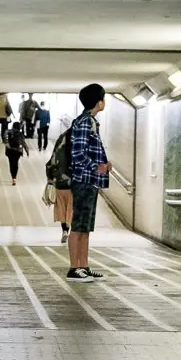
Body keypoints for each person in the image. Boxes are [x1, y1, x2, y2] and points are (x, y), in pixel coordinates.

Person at [66, 83, 110, 282]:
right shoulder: (84, 122)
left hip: (90, 181)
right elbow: (78, 154)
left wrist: (103, 165)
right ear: (98, 101)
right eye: (103, 98)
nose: (104, 102)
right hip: (83, 180)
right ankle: (75, 268)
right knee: (78, 226)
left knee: (86, 226)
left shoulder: (90, 121)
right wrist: (96, 166)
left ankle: (83, 266)